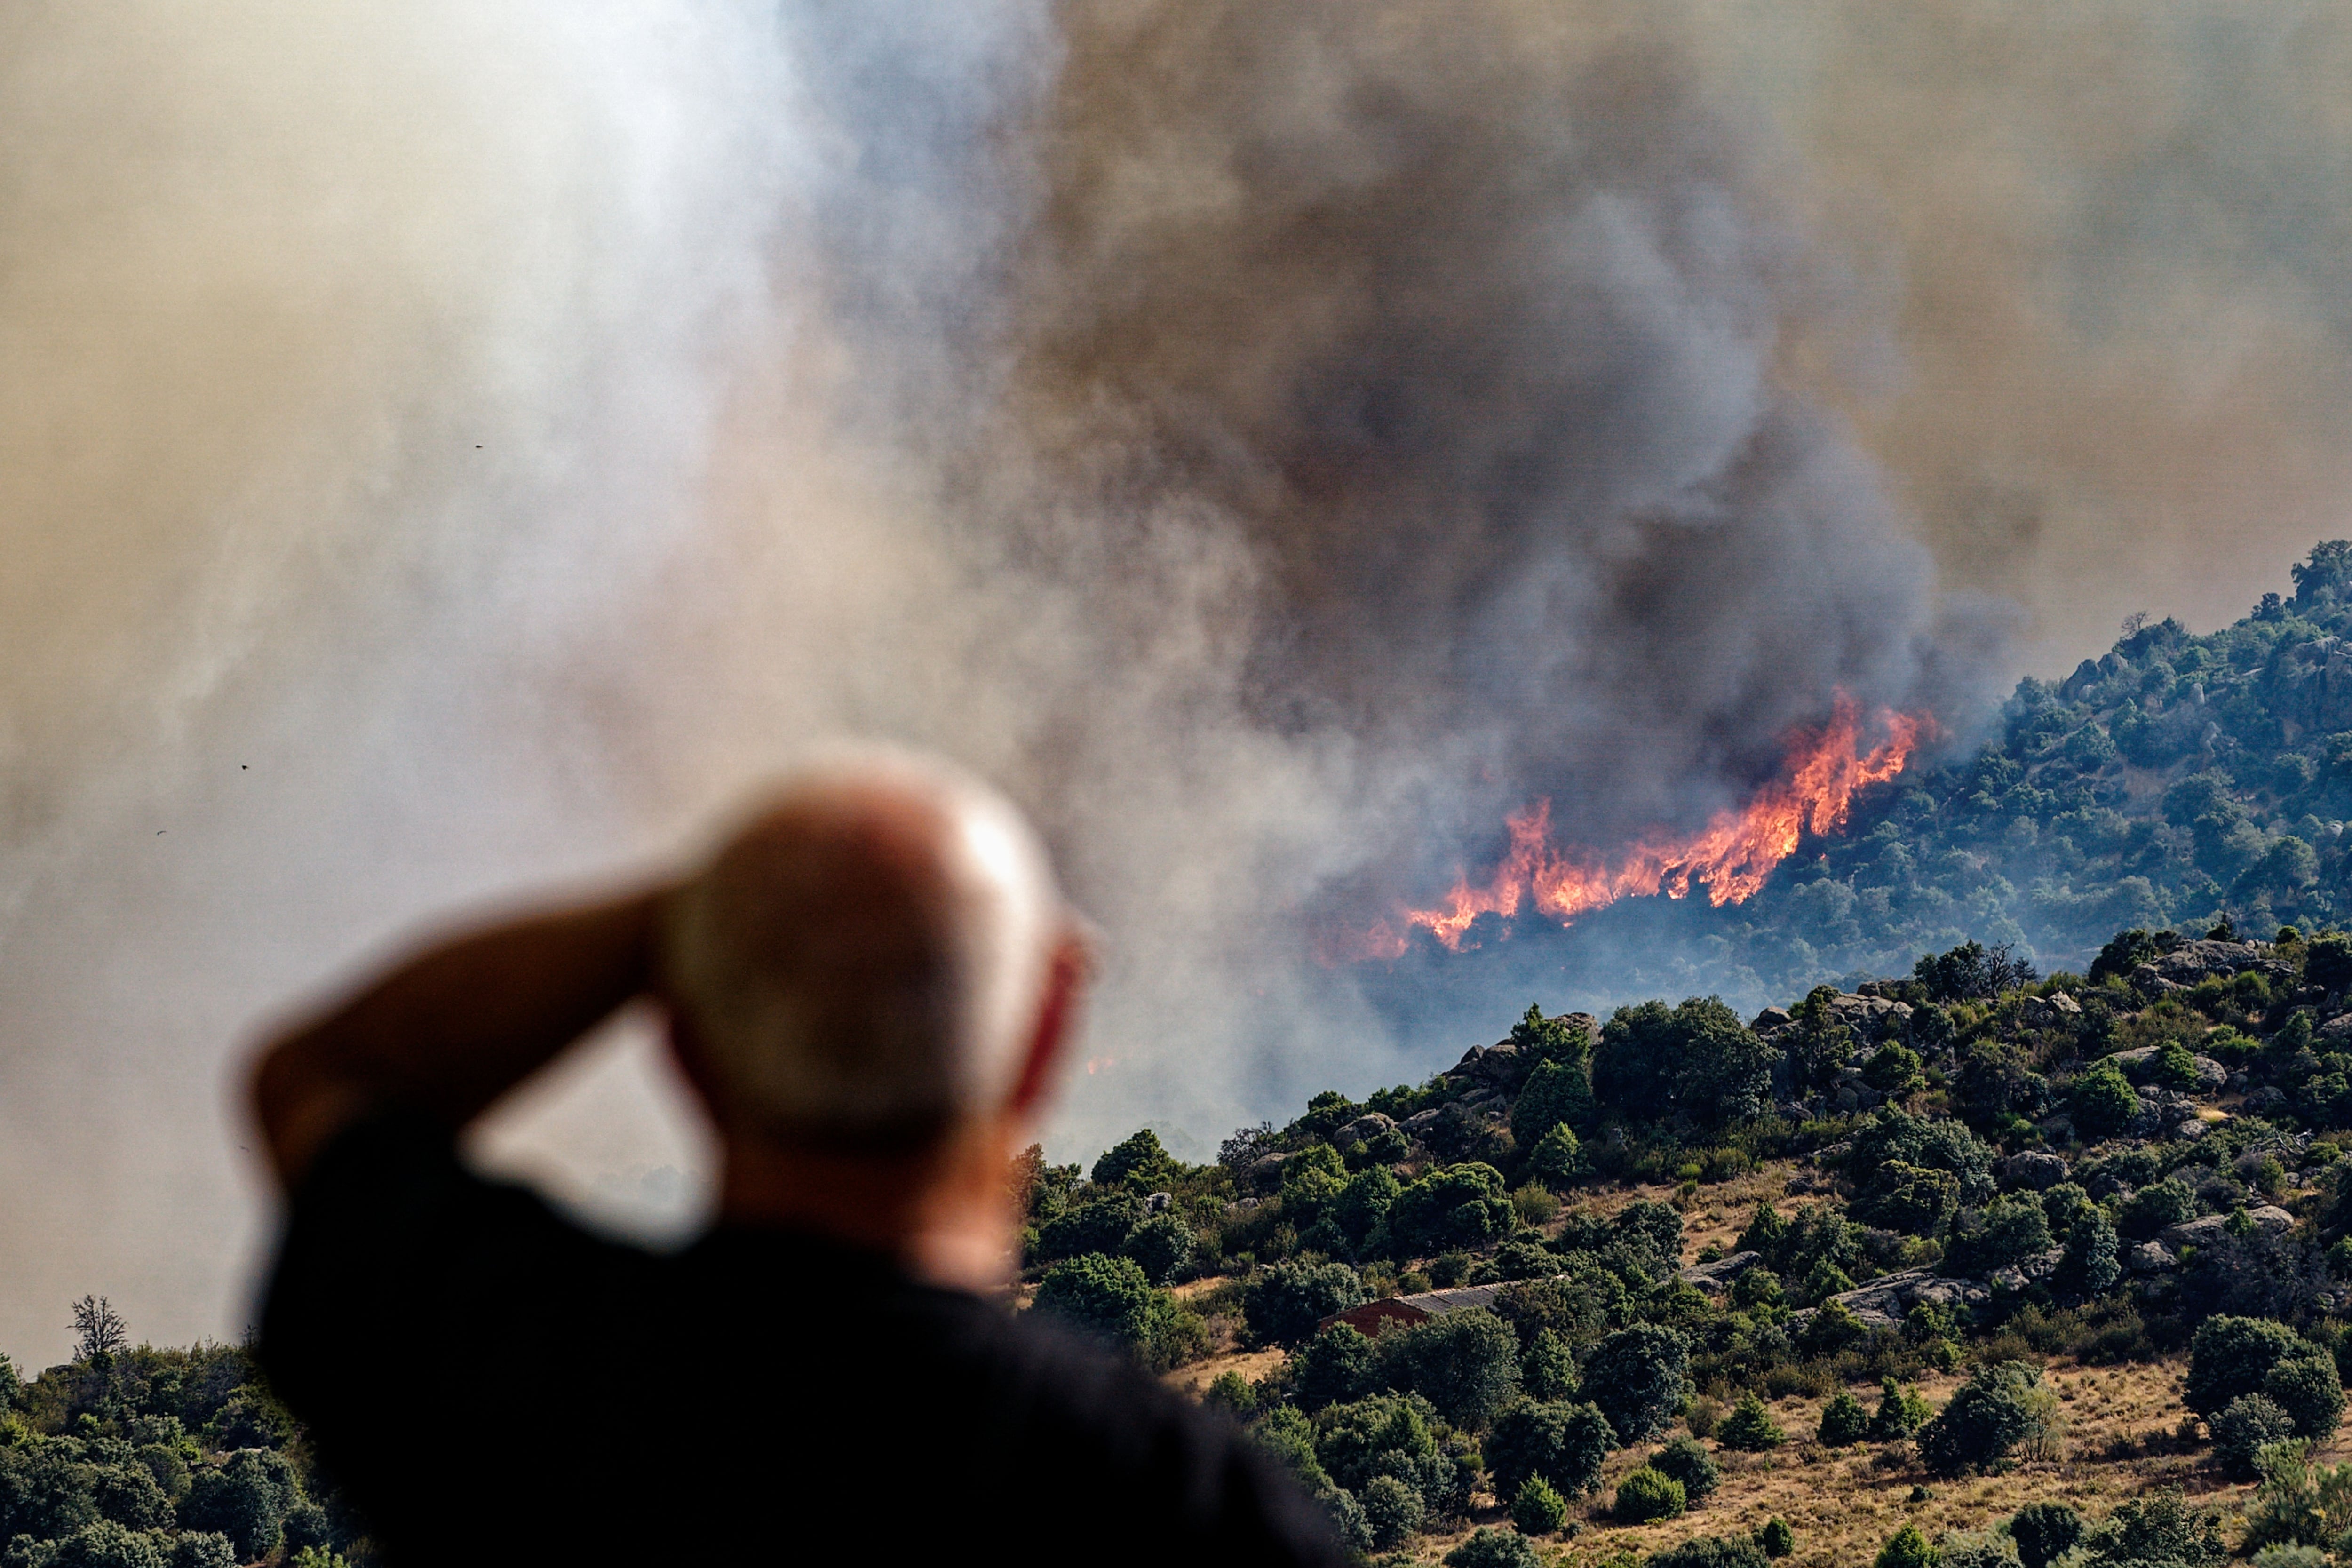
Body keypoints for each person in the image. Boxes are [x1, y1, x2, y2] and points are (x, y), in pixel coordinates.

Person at [250, 750, 1342, 1566]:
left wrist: (720, 920)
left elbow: (322, 1076)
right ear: (1046, 1033)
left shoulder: (517, 1369)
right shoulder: (1177, 1506)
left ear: (682, 1043)